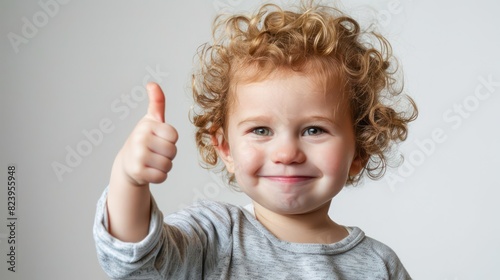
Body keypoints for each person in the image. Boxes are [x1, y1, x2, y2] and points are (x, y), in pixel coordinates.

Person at [94, 1, 417, 279]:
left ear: (359, 150)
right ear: (225, 149)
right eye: (261, 131)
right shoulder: (214, 234)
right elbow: (135, 260)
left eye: (314, 130)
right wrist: (129, 179)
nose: (287, 153)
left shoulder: (379, 265)